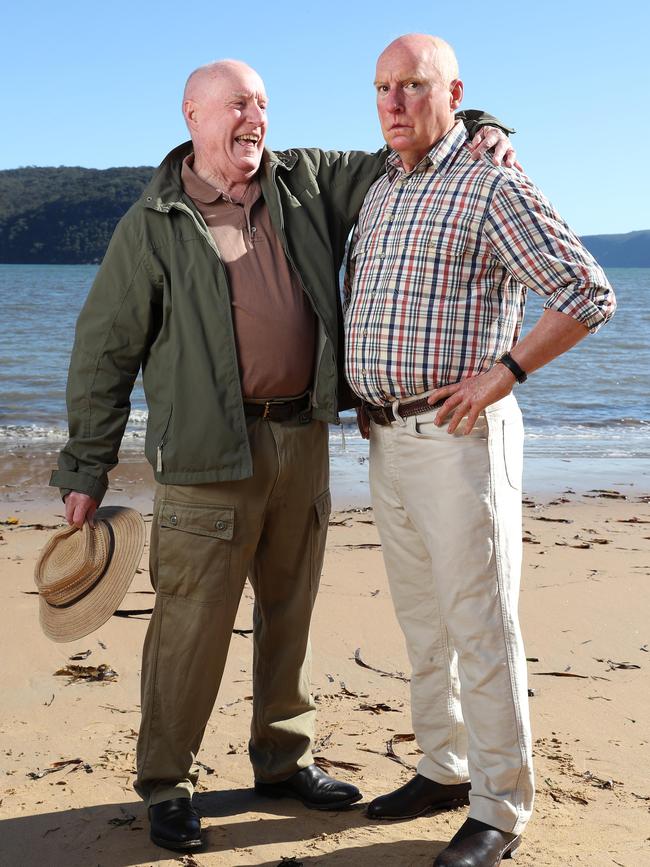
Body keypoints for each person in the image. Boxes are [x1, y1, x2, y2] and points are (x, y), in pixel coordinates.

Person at [50, 58, 514, 854]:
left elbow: (407, 144)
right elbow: (103, 354)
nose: (255, 117)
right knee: (189, 624)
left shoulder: (304, 183)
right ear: (193, 115)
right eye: (237, 104)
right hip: (205, 455)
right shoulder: (152, 222)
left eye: (263, 103)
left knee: (289, 611)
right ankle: (167, 781)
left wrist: (484, 127)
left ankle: (283, 759)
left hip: (301, 438)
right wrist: (85, 470)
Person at [344, 34, 616, 867]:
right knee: (423, 621)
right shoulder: (383, 187)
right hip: (386, 437)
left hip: (459, 439)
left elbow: (587, 289)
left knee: (481, 624)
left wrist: (505, 371)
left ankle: (500, 806)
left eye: (412, 86)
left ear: (453, 91)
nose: (393, 102)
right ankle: (443, 766)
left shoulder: (492, 182)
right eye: (383, 87)